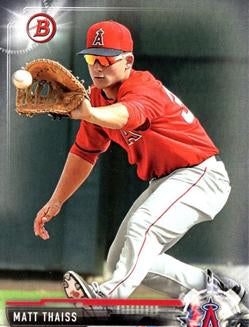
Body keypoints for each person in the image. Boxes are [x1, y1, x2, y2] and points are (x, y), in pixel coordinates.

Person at [33, 20, 245, 302]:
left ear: (128, 61)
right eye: (91, 58)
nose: (97, 66)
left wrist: (88, 113)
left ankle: (105, 299)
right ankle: (217, 291)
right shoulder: (95, 99)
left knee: (142, 227)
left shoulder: (143, 86)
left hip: (200, 175)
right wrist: (57, 200)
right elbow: (84, 152)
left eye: (106, 59)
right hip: (169, 180)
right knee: (120, 259)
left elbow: (126, 116)